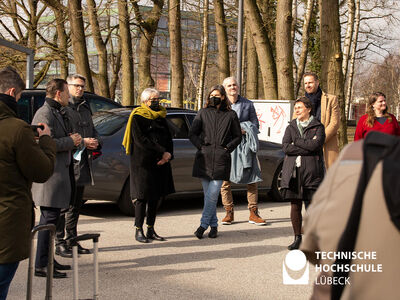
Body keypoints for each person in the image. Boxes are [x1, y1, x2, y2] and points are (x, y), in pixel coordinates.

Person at [0, 67, 56, 300]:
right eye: (20, 97)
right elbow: (41, 171)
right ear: (12, 92)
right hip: (6, 224)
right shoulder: (16, 128)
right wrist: (45, 142)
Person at [32, 79, 82, 278]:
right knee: (48, 221)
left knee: (52, 221)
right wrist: (70, 141)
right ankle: (41, 265)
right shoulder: (44, 113)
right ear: (58, 94)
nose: (69, 96)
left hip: (60, 173)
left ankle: (47, 260)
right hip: (50, 176)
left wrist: (73, 140)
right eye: (67, 93)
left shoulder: (58, 111)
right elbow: (42, 142)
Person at [55, 74, 100, 258]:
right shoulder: (64, 108)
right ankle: (59, 242)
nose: (80, 89)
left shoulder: (85, 107)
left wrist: (97, 141)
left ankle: (72, 239)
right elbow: (65, 135)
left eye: (82, 86)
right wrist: (83, 142)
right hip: (67, 163)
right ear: (68, 86)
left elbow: (92, 128)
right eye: (76, 86)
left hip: (83, 161)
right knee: (63, 204)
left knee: (76, 204)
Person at [122, 88, 174, 243]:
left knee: (155, 197)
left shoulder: (161, 116)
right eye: (153, 99)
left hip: (160, 162)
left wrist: (168, 155)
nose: (156, 101)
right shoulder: (138, 117)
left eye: (158, 98)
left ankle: (151, 228)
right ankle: (139, 229)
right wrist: (161, 152)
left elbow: (168, 138)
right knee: (141, 197)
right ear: (145, 102)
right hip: (143, 163)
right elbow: (141, 140)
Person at [189, 85, 242, 239]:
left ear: (223, 97)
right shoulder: (203, 113)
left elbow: (238, 136)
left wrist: (227, 148)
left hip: (221, 159)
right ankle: (214, 226)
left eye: (217, 95)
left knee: (212, 194)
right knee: (209, 196)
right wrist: (200, 146)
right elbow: (192, 133)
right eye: (211, 95)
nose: (214, 97)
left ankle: (202, 225)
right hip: (204, 159)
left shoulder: (231, 115)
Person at [220, 76, 266, 226]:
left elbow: (255, 124)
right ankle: (229, 212)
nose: (232, 87)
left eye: (234, 85)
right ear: (224, 89)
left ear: (238, 87)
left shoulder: (247, 104)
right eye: (229, 86)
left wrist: (244, 129)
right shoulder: (220, 104)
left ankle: (253, 212)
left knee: (252, 179)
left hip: (245, 146)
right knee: (225, 181)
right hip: (227, 146)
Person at [281, 97, 325, 250]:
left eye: (299, 107)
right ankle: (297, 237)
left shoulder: (318, 126)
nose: (296, 110)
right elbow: (286, 147)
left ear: (308, 109)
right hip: (293, 171)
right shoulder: (291, 126)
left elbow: (316, 145)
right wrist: (306, 145)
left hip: (312, 172)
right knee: (295, 205)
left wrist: (297, 142)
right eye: (296, 108)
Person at [303, 72, 339, 168]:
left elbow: (334, 124)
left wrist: (319, 140)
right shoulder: (300, 101)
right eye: (306, 83)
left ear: (317, 82)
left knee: (328, 178)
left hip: (326, 146)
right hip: (306, 147)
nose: (308, 85)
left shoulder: (331, 99)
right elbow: (295, 122)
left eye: (310, 82)